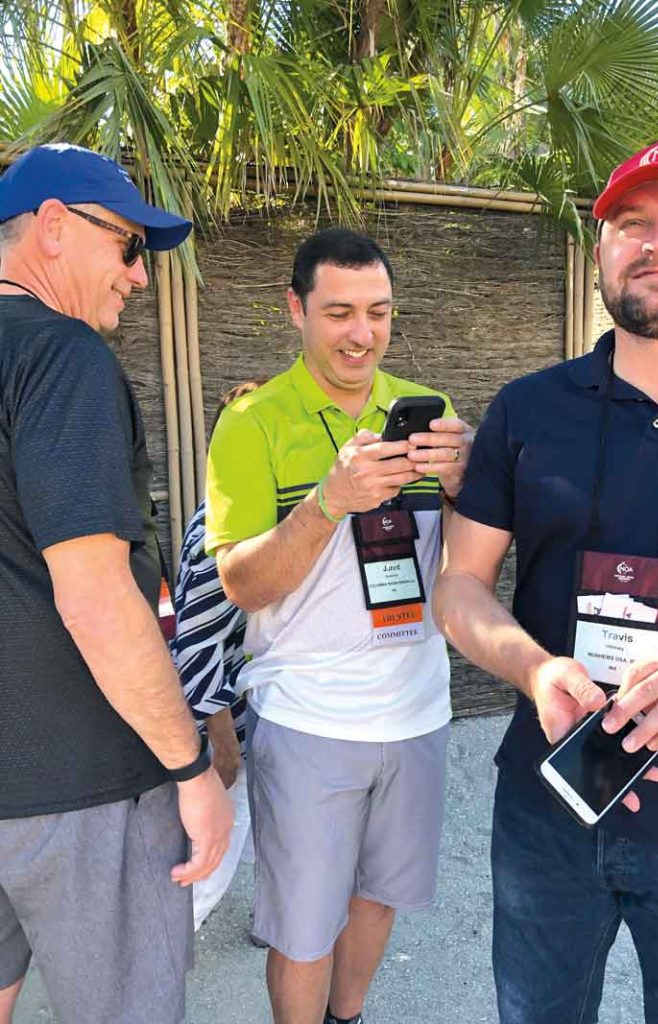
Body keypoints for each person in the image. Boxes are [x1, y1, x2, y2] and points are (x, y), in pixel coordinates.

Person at [433, 134, 658, 1024]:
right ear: (600, 250)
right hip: (548, 809)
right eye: (632, 222)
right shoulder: (529, 408)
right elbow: (458, 588)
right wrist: (534, 669)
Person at [205, 227, 473, 1024]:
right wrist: (329, 502)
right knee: (302, 926)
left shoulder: (427, 412)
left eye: (380, 313)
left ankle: (346, 1019)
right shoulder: (252, 422)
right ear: (297, 309)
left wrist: (465, 488)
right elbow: (242, 584)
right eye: (340, 313)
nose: (362, 334)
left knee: (379, 899)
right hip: (309, 718)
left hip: (420, 709)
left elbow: (466, 565)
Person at [0, 143, 233, 1024]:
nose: (139, 277)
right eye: (128, 246)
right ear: (54, 227)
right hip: (83, 786)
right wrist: (191, 766)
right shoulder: (61, 358)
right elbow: (96, 595)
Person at [171, 379, 266, 938]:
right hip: (224, 718)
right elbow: (196, 644)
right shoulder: (218, 533)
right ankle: (165, 945)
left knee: (272, 824)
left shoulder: (255, 516)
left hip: (254, 710)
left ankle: (272, 920)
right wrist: (221, 743)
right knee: (221, 839)